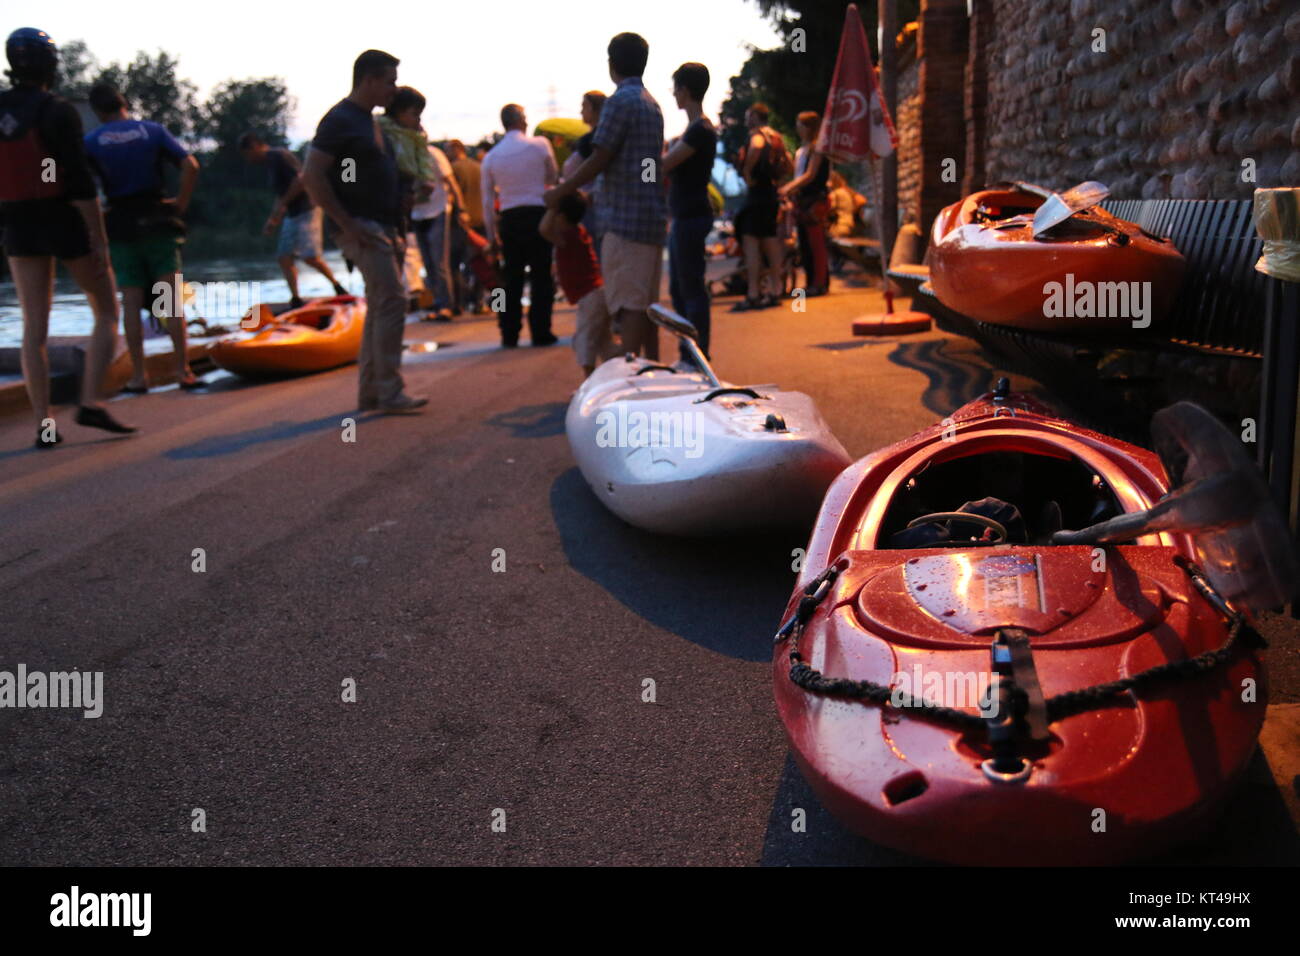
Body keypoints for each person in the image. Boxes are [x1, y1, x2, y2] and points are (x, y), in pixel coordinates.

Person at [0, 28, 135, 446]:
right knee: (107, 309)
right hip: (60, 218)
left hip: (16, 222)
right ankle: (90, 402)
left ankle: (44, 423)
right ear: (51, 65)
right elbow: (77, 184)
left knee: (33, 326)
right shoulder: (58, 110)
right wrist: (99, 241)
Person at [301, 49, 426, 414]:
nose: (394, 89)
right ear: (368, 79)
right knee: (392, 301)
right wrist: (348, 224)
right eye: (389, 81)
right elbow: (312, 175)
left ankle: (372, 391)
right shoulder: (340, 120)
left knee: (380, 306)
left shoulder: (367, 121)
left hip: (383, 224)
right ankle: (390, 392)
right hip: (363, 227)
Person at [547, 32, 665, 360]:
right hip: (649, 216)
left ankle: (628, 379)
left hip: (624, 219)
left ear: (611, 63)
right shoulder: (651, 104)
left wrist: (561, 190)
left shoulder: (620, 102)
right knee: (646, 305)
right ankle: (651, 369)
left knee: (628, 305)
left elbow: (600, 157)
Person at [82, 84, 201, 395]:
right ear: (125, 104)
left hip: (120, 226)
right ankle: (183, 371)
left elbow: (79, 186)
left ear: (97, 111)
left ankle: (138, 376)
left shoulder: (92, 141)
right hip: (158, 221)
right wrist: (180, 204)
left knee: (131, 303)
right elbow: (190, 165)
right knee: (170, 300)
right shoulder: (152, 131)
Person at [238, 131, 347, 309]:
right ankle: (296, 298)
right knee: (283, 256)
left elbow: (301, 180)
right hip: (292, 213)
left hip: (308, 209)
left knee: (310, 257)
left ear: (254, 146)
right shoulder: (269, 163)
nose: (248, 159)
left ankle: (338, 287)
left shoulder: (279, 156)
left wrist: (282, 204)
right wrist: (273, 219)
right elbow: (281, 195)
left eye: (247, 154)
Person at [479, 103, 558, 348]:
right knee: (541, 277)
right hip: (537, 215)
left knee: (508, 281)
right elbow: (552, 178)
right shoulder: (540, 145)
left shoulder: (492, 157)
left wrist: (492, 236)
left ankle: (508, 332)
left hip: (509, 219)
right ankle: (541, 331)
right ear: (522, 120)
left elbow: (487, 199)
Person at [662, 62, 716, 358]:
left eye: (675, 89)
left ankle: (697, 354)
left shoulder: (700, 130)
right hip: (685, 215)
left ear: (684, 90)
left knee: (690, 289)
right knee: (680, 290)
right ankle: (691, 352)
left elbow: (664, 166)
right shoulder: (695, 130)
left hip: (691, 215)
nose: (673, 95)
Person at [539, 191, 616, 377]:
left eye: (555, 216)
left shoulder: (569, 235)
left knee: (585, 340)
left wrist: (553, 205)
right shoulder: (577, 232)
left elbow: (543, 230)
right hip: (596, 294)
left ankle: (588, 381)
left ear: (562, 217)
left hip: (590, 296)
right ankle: (619, 375)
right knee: (603, 342)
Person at [732, 102, 789, 311]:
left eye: (749, 116)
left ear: (756, 116)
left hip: (756, 195)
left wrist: (747, 171)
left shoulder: (757, 135)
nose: (747, 120)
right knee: (771, 241)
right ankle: (776, 289)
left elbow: (755, 147)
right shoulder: (776, 137)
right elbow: (786, 162)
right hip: (770, 195)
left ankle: (753, 293)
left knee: (751, 244)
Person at [778, 110, 831, 297]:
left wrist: (788, 188)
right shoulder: (803, 150)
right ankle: (811, 282)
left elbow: (810, 174)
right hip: (802, 200)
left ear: (809, 127)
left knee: (816, 243)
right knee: (805, 243)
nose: (798, 129)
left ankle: (819, 283)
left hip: (814, 199)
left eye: (801, 125)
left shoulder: (818, 148)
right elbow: (798, 172)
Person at [446, 139, 481, 313]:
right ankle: (479, 303)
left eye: (448, 151)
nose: (447, 156)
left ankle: (458, 304)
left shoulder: (454, 169)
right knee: (479, 264)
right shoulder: (479, 167)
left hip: (460, 223)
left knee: (453, 265)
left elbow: (452, 196)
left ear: (455, 149)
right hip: (480, 220)